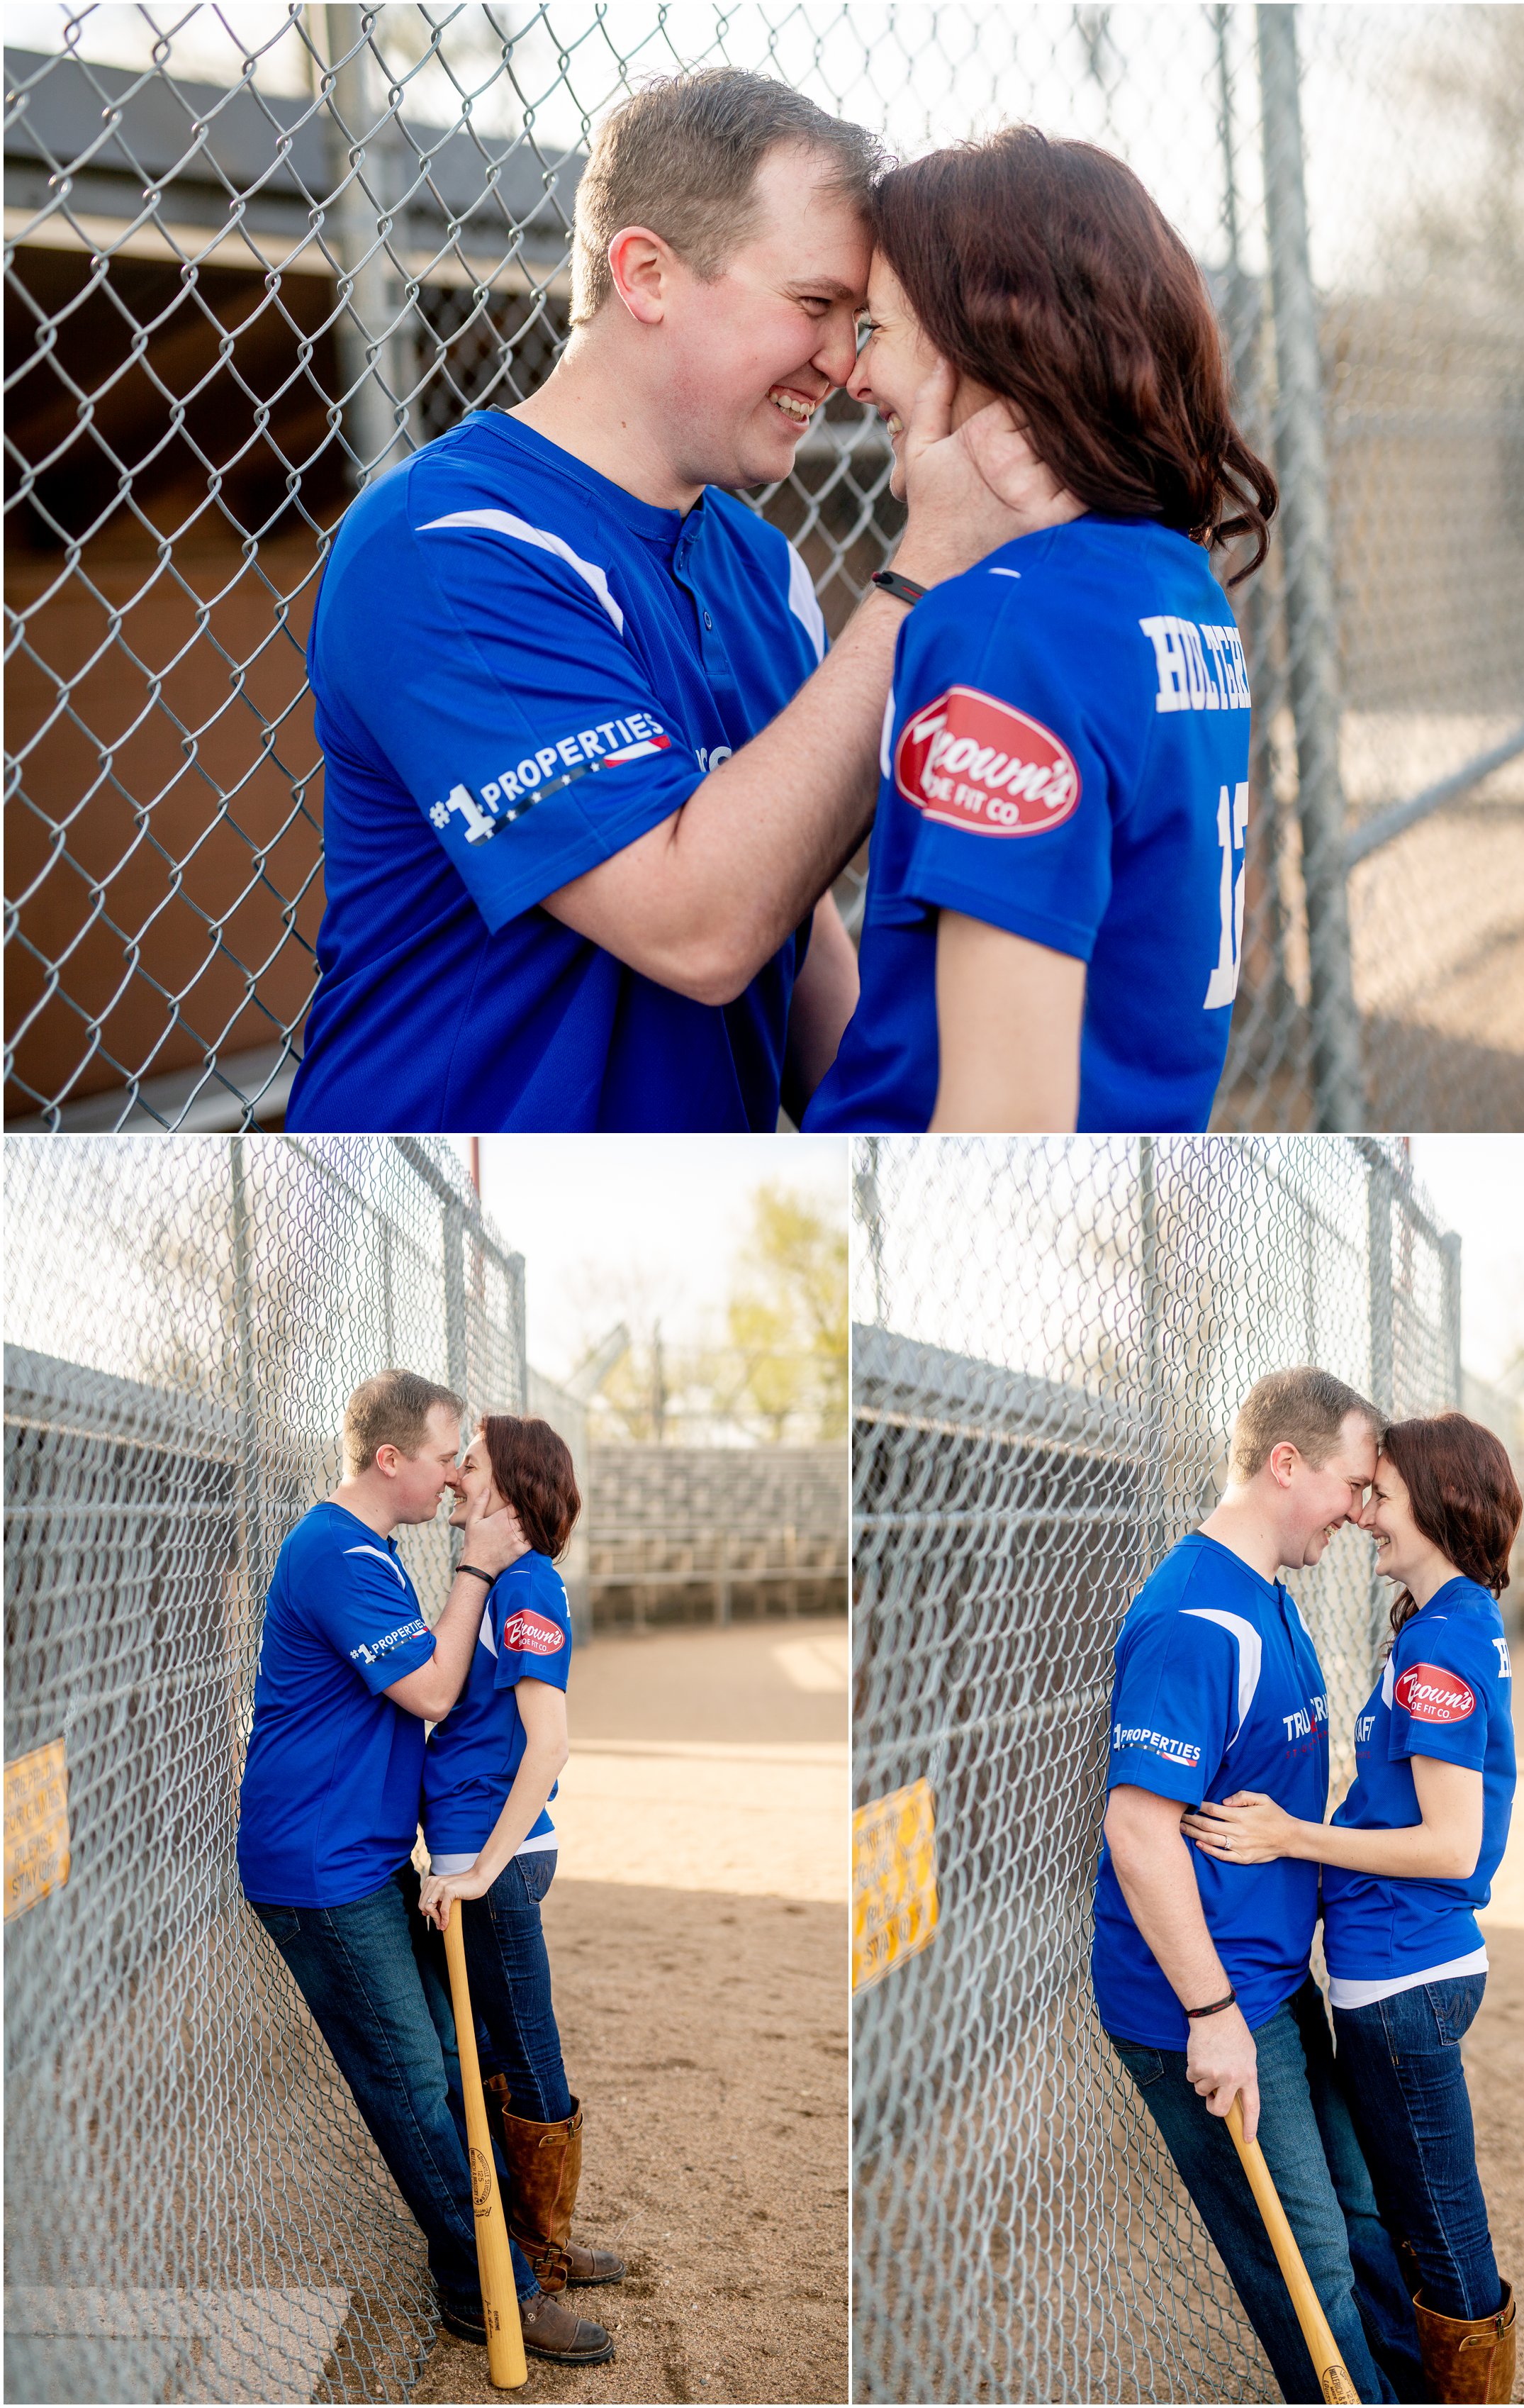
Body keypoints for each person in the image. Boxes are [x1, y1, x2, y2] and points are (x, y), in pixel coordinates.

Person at [286, 69, 1076, 1135]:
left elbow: (788, 917)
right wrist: (925, 569)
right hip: (450, 1228)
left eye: (858, 321)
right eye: (813, 307)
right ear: (647, 274)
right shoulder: (447, 546)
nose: (845, 366)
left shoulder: (762, 567)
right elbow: (699, 930)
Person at [804, 128, 1277, 1135]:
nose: (851, 377)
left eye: (874, 330)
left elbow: (1003, 1122)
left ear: (976, 339)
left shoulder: (1001, 633)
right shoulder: (1168, 581)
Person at [237, 1371, 612, 2366]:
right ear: (391, 1460)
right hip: (318, 1872)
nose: (454, 1478)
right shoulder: (336, 1554)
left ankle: (508, 2254)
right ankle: (488, 2287)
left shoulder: (369, 1554)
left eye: (468, 1462)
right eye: (448, 1455)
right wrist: (476, 1571)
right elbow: (438, 1692)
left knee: (450, 2058)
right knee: (411, 2078)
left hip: (363, 1860)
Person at [1092, 1369, 1423, 2406]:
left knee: (1364, 2219)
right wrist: (1210, 2014)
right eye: (1352, 1484)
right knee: (1309, 2269)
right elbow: (1137, 1834)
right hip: (1214, 2007)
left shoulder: (1266, 1595)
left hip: (1275, 1985)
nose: (1359, 1510)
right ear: (1285, 1465)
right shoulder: (1196, 1621)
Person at [1183, 1412, 1522, 2403]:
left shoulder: (1436, 1653)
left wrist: (1291, 1836)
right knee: (1408, 2219)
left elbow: (1446, 1844)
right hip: (1404, 1967)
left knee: (1436, 2231)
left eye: (1382, 1496)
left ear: (1436, 1504)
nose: (1365, 1514)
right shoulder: (1446, 1622)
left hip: (1406, 1975)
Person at [413, 1415, 622, 2321]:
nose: (456, 1473)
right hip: (481, 1852)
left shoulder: (524, 1586)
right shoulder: (508, 1580)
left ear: (509, 1486)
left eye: (472, 1461)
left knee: (526, 2052)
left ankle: (539, 2254)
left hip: (488, 1858)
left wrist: (477, 1871)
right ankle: (546, 2238)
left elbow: (550, 1745)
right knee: (500, 2051)